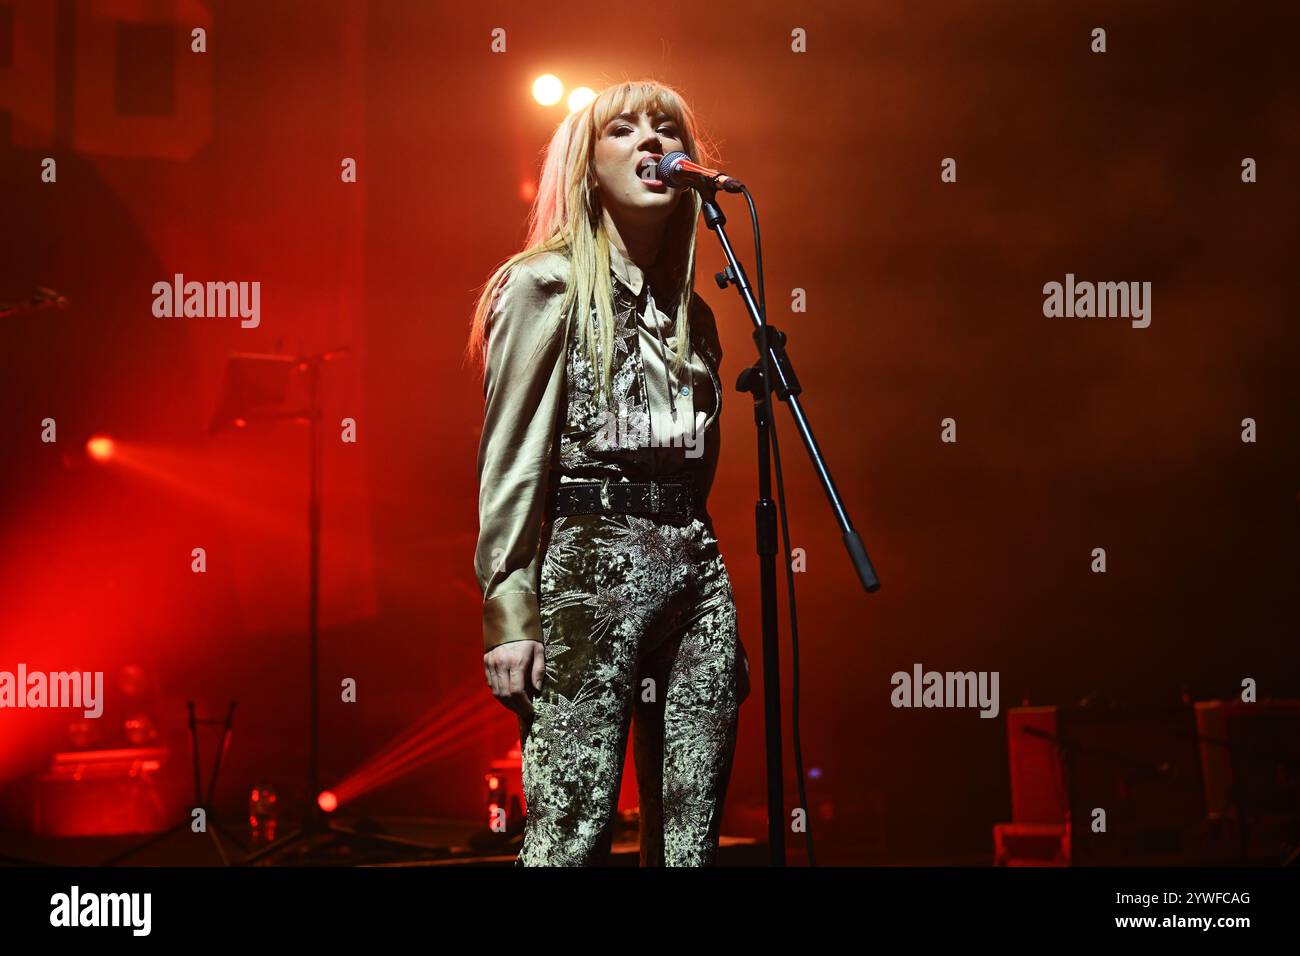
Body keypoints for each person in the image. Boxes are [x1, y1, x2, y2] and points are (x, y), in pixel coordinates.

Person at [467, 79, 749, 866]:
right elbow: (512, 455)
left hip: (695, 576)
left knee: (693, 840)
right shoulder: (543, 285)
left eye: (666, 129)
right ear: (588, 168)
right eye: (623, 130)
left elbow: (703, 467)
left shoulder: (696, 316)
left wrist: (714, 594)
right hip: (586, 567)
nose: (652, 143)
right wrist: (509, 608)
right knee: (573, 831)